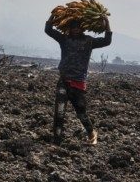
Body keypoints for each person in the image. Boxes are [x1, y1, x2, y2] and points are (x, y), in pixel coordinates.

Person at [45, 16, 112, 145]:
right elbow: (48, 30)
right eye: (73, 27)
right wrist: (52, 18)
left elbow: (106, 41)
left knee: (81, 114)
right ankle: (56, 141)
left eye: (78, 27)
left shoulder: (88, 41)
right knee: (59, 112)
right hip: (64, 81)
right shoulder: (64, 39)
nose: (75, 29)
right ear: (69, 28)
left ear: (82, 28)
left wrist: (107, 24)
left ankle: (92, 134)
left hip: (78, 84)